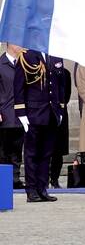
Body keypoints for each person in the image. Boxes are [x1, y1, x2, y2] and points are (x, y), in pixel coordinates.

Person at [14, 51, 65, 202]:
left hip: (51, 113)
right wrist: (21, 113)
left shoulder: (56, 55)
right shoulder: (26, 56)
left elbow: (60, 85)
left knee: (46, 153)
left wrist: (60, 108)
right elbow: (18, 87)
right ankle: (31, 190)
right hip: (33, 113)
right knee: (31, 154)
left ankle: (42, 189)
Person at [0, 43, 25, 189]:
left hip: (20, 115)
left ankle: (15, 179)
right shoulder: (1, 64)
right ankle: (4, 182)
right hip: (4, 114)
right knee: (3, 150)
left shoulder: (23, 64)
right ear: (10, 45)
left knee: (17, 149)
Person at [49, 62, 72, 188]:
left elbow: (66, 96)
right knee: (46, 149)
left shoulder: (65, 73)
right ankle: (43, 178)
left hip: (61, 113)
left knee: (58, 150)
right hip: (45, 113)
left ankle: (54, 179)